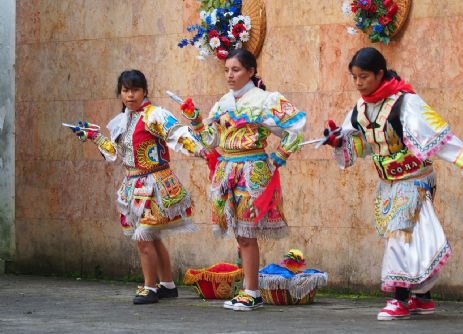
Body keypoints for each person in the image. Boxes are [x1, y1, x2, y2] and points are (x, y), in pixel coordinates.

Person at [323, 47, 463, 320]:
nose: (358, 83)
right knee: (411, 237)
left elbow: (437, 137)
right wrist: (337, 140)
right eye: (355, 77)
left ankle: (400, 299)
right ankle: (423, 298)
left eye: (364, 76)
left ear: (380, 74)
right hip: (389, 182)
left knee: (400, 234)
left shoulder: (405, 102)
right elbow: (359, 144)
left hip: (414, 179)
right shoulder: (360, 108)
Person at [179, 48, 306, 311]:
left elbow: (297, 124)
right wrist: (195, 121)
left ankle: (251, 290)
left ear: (251, 71)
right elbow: (210, 141)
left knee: (247, 234)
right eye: (226, 70)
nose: (229, 75)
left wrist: (279, 156)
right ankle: (250, 288)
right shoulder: (222, 103)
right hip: (227, 172)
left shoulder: (266, 100)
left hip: (253, 172)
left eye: (235, 70)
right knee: (239, 233)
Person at [71, 70, 206, 304]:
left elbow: (177, 135)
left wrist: (202, 150)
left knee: (144, 238)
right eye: (125, 90)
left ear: (145, 91)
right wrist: (95, 137)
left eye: (135, 90)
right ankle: (167, 285)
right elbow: (115, 154)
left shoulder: (155, 115)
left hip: (154, 184)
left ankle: (149, 287)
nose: (130, 95)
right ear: (120, 92)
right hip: (133, 185)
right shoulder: (123, 120)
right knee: (152, 238)